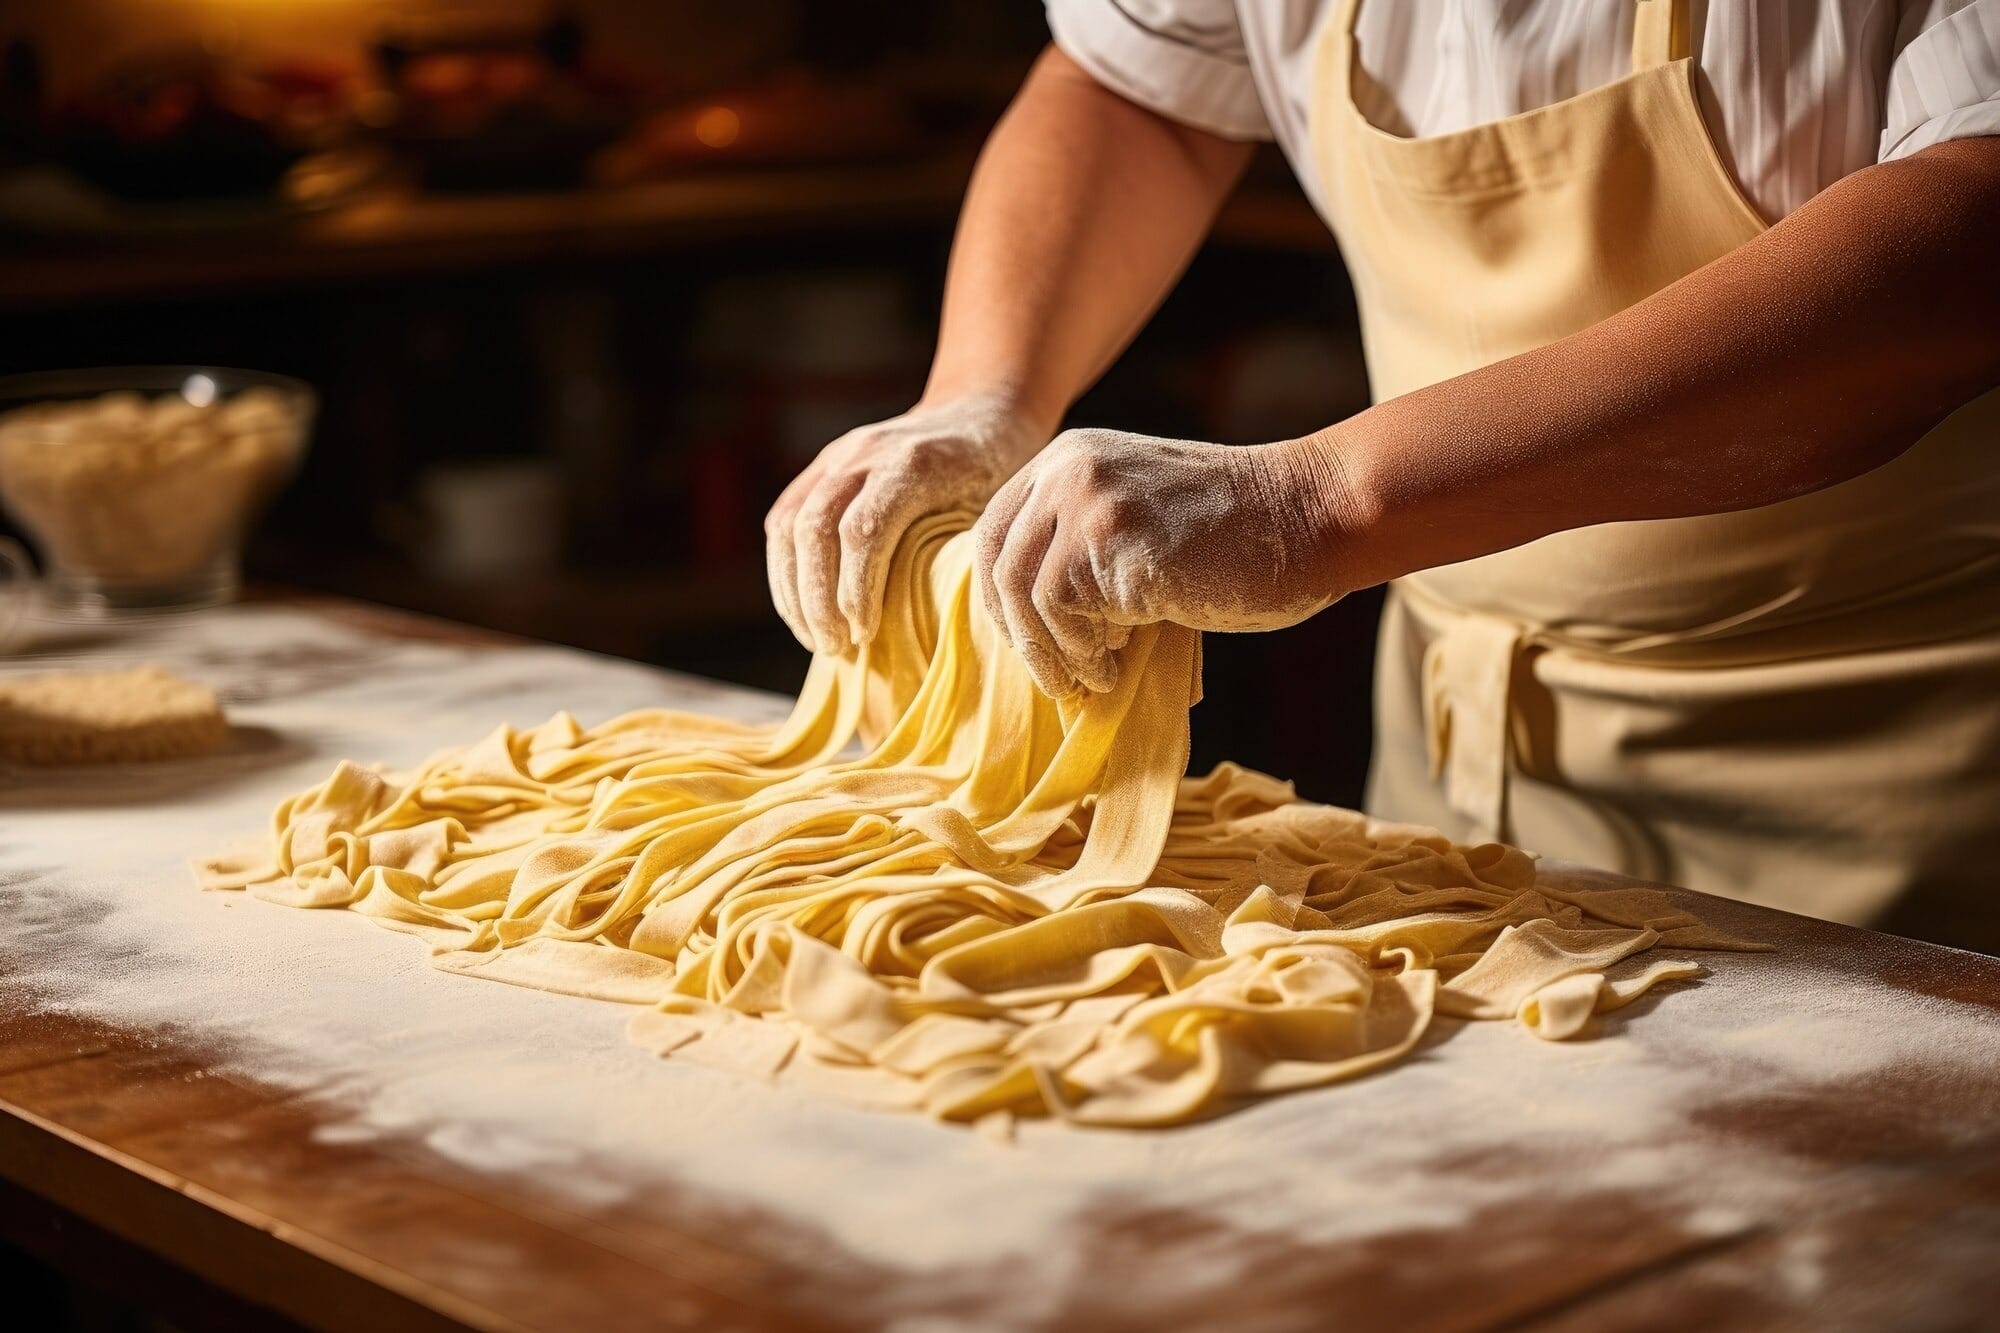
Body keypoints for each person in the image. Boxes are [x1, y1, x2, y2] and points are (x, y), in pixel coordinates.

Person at [763, 0, 2000, 951]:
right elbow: (1143, 87)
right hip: (1456, 772)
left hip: (1891, 776)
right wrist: (983, 394)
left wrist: (1318, 503)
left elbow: (1962, 248)